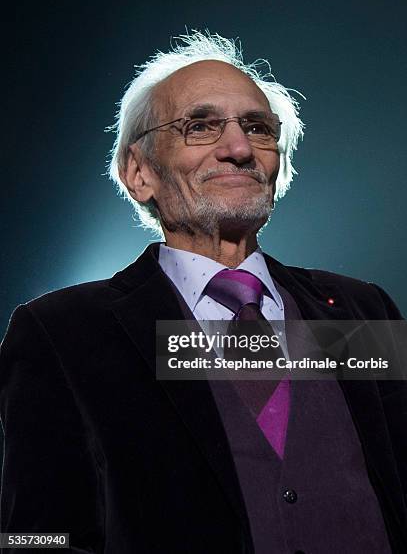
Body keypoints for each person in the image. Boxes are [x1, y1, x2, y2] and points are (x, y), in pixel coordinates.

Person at [0, 31, 406, 554]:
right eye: (199, 126)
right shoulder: (61, 334)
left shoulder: (363, 310)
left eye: (257, 128)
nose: (238, 148)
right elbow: (34, 539)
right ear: (138, 172)